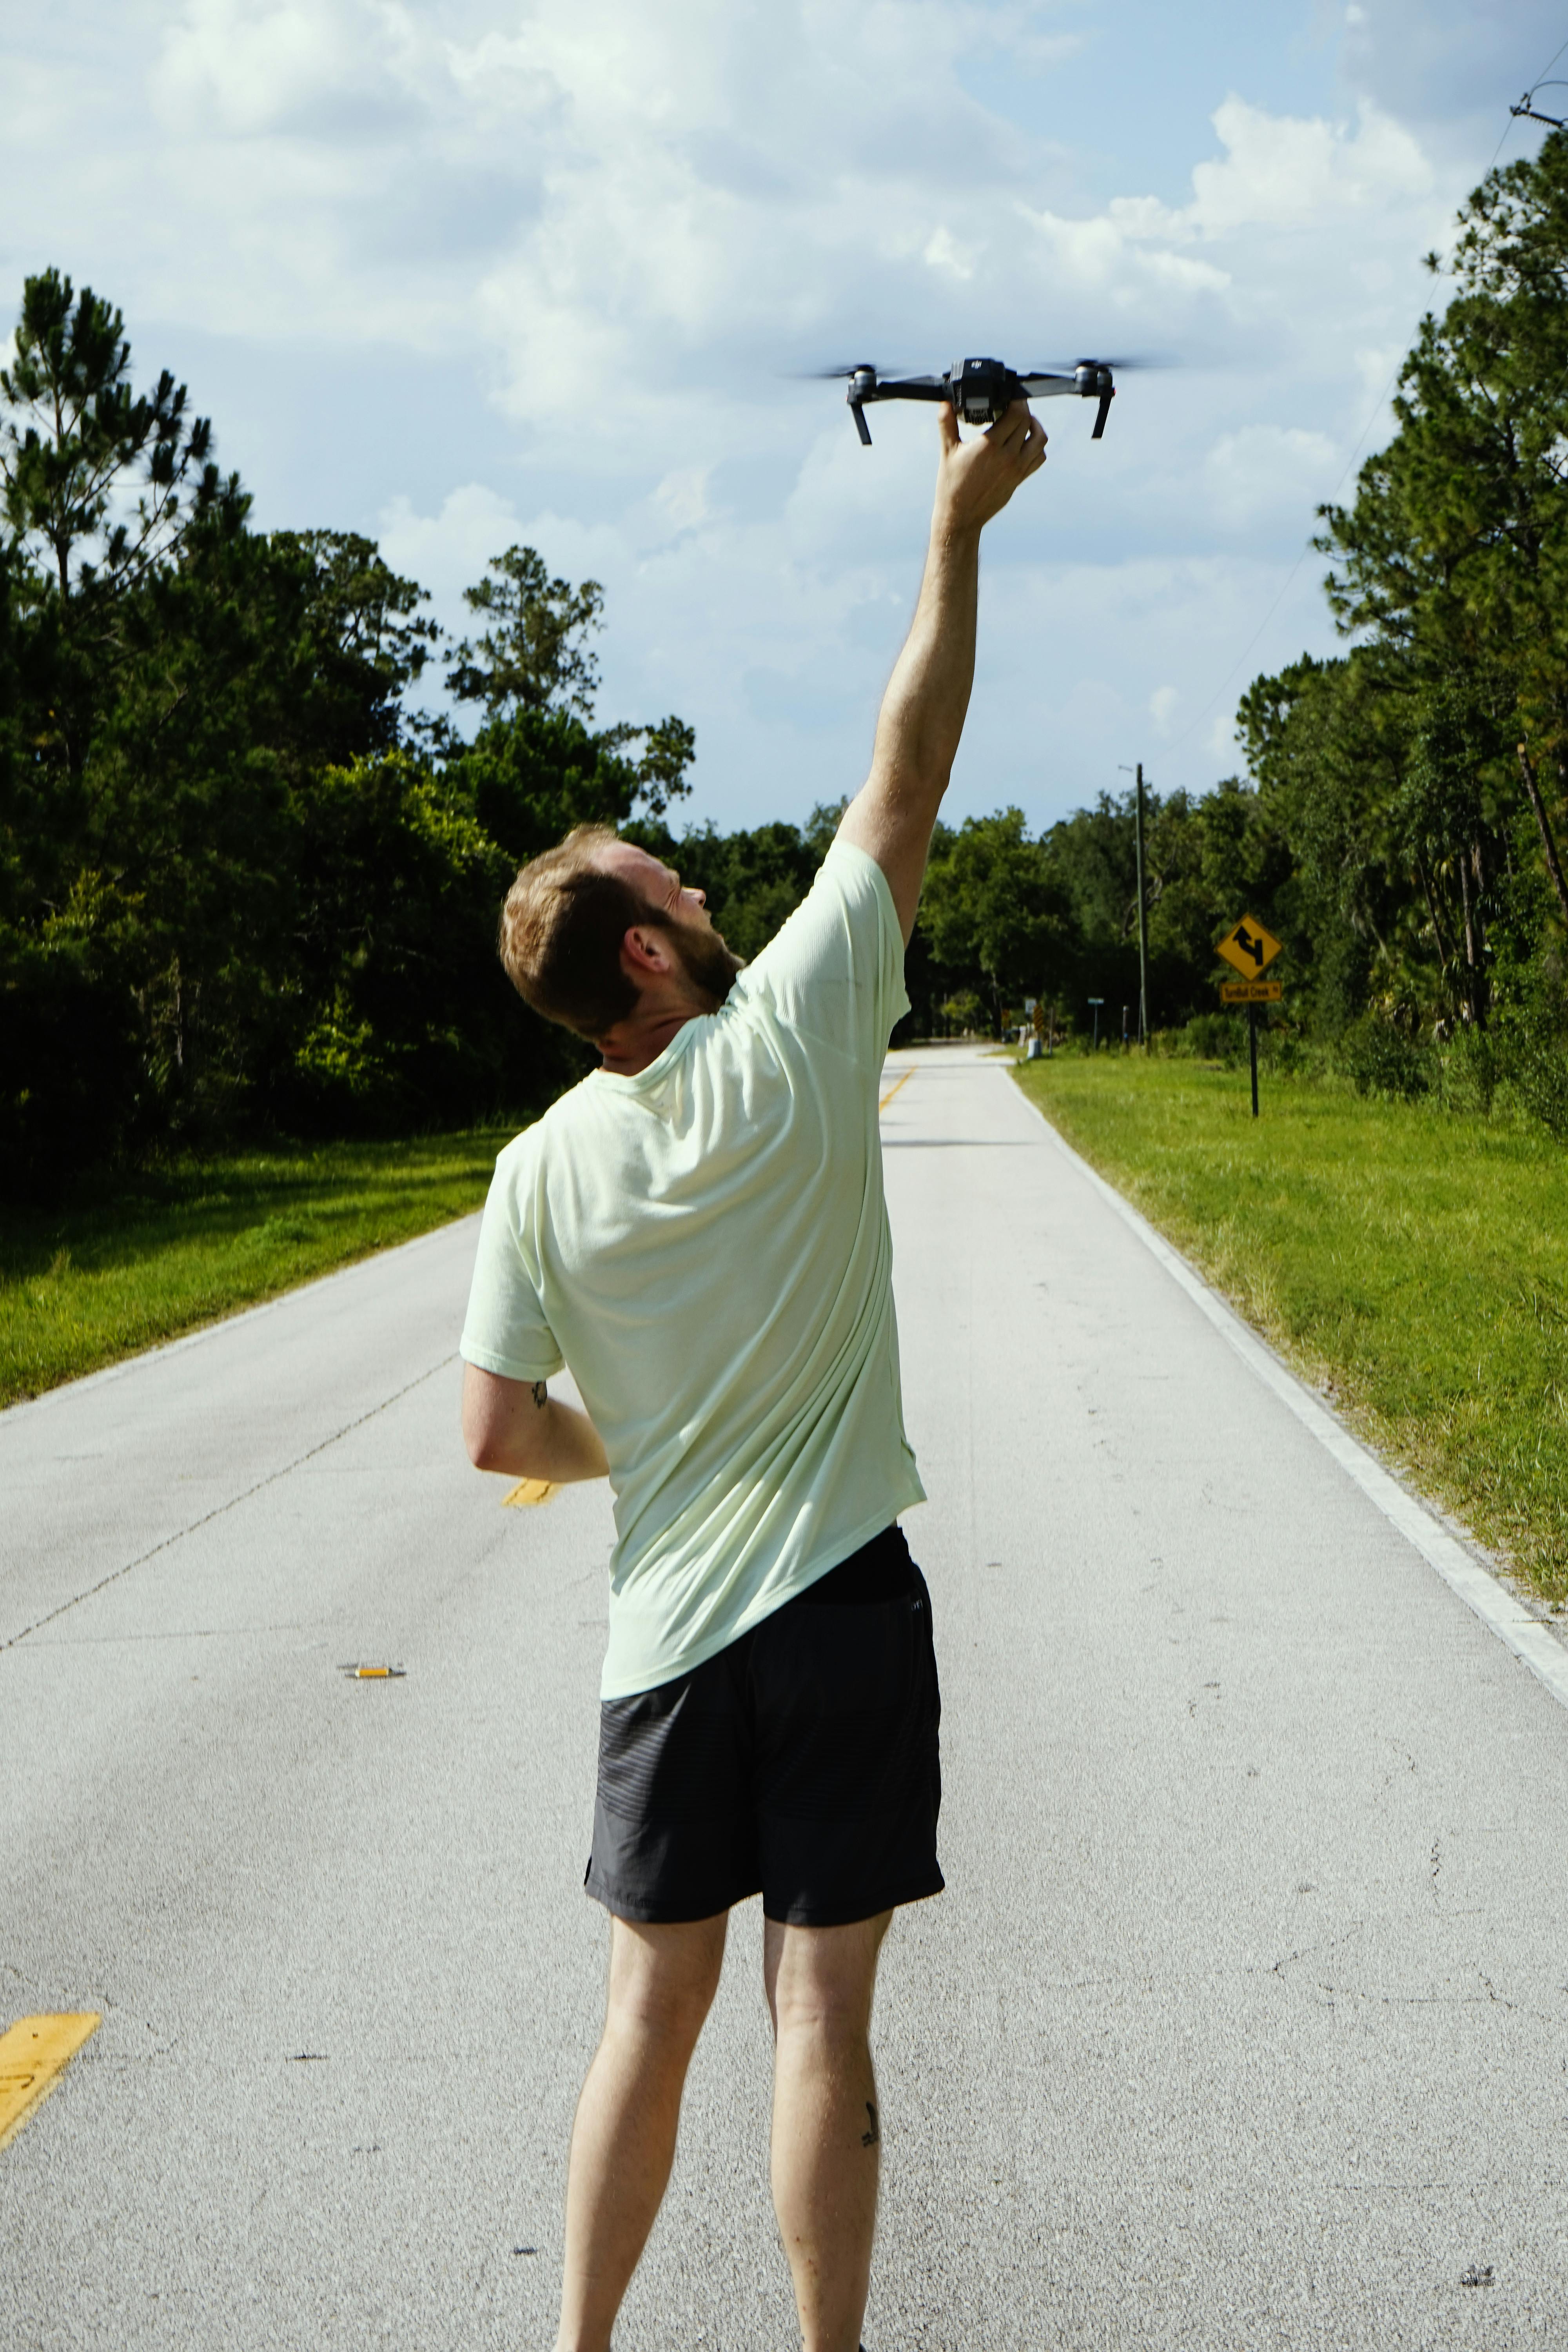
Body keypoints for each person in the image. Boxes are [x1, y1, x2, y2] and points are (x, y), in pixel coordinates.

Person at [458, 396, 1048, 2352]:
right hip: (842, 1612)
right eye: (675, 886)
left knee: (648, 2015)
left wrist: (644, 1441)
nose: (706, 888)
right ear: (643, 958)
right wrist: (957, 521)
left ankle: (583, 2348)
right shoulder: (797, 1031)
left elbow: (494, 1434)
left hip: (668, 1643)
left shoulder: (538, 1166)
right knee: (824, 2017)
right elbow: (912, 757)